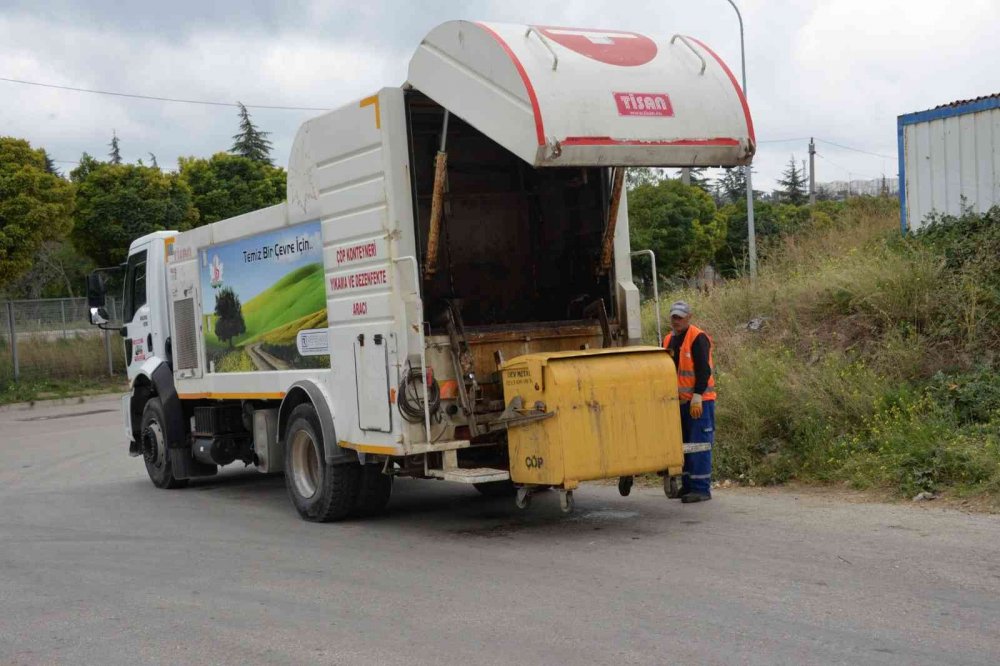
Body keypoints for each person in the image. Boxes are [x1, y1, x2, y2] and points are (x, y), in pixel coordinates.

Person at [663, 300, 716, 503]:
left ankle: (701, 489)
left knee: (699, 445)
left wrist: (697, 395)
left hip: (699, 402)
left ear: (688, 317)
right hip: (679, 403)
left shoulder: (697, 337)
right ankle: (688, 485)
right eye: (673, 317)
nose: (676, 321)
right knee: (684, 445)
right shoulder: (669, 340)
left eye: (679, 317)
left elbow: (704, 370)